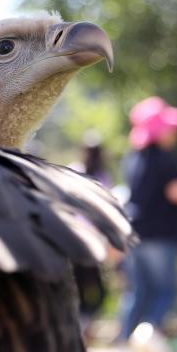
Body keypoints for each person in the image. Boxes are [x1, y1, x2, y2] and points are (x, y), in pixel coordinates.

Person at [118, 97, 177, 349]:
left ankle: (126, 341)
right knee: (166, 290)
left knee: (138, 291)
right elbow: (176, 193)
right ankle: (148, 334)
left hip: (135, 232)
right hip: (161, 233)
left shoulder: (132, 158)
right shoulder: (165, 158)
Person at [70, 133, 111, 336]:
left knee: (96, 290)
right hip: (80, 239)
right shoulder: (75, 172)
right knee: (81, 287)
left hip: (90, 241)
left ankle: (83, 320)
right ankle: (79, 322)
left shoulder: (101, 176)